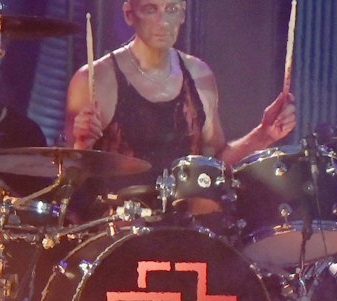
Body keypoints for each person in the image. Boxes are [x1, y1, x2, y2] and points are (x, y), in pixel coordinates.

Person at [64, 0, 297, 177]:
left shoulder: (199, 75)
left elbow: (215, 163)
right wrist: (81, 145)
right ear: (129, 14)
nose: (163, 22)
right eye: (150, 9)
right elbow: (64, 181)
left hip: (183, 221)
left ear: (183, 14)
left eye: (172, 9)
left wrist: (264, 134)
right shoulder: (95, 80)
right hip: (117, 223)